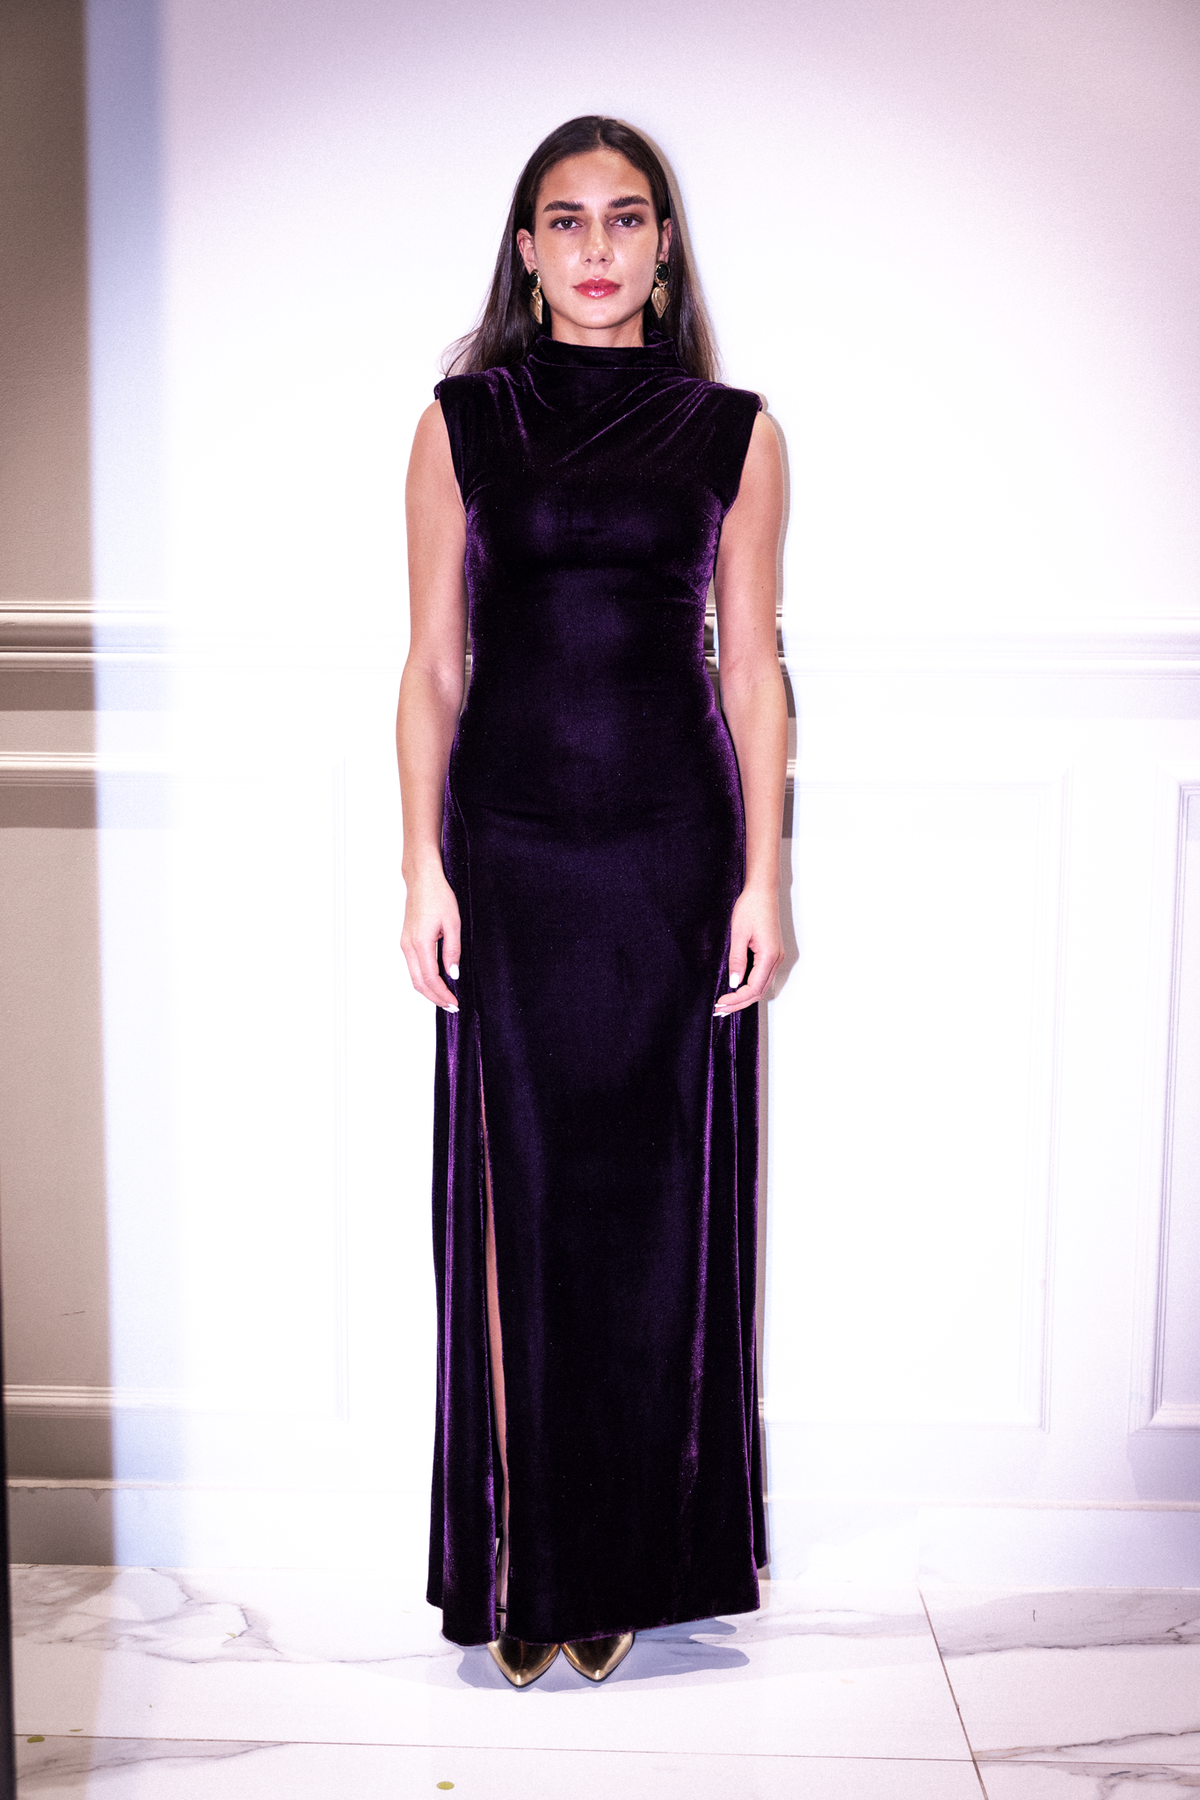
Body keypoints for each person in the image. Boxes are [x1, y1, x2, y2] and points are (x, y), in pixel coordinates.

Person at [397, 115, 786, 1688]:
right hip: (509, 848)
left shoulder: (733, 431)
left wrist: (766, 877)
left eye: (626, 219)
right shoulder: (462, 423)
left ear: (664, 247)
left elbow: (752, 672)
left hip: (672, 855)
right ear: (527, 249)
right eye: (567, 221)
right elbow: (433, 665)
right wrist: (419, 863)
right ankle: (528, 1561)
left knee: (655, 1211)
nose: (598, 248)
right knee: (522, 1204)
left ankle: (626, 1560)